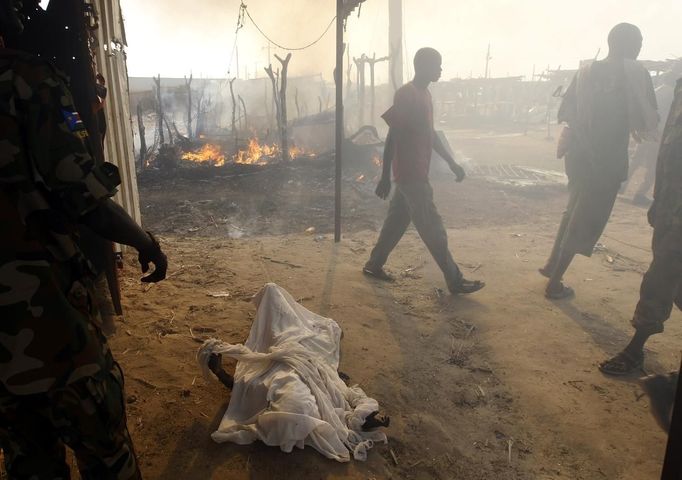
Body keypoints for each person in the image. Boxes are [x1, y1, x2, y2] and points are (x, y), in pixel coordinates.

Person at [0, 2, 168, 478]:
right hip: (45, 313)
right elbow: (83, 196)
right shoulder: (28, 81)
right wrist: (144, 241)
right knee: (104, 448)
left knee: (29, 458)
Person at [539, 23, 658, 299]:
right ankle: (555, 282)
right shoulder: (637, 73)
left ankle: (550, 264)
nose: (641, 47)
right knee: (586, 218)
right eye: (638, 41)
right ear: (626, 44)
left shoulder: (585, 72)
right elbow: (649, 118)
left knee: (573, 209)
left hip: (579, 155)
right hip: (607, 158)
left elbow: (566, 112)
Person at [363, 47, 484, 295]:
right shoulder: (406, 94)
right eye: (437, 65)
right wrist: (385, 175)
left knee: (396, 223)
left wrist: (451, 162)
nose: (440, 70)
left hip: (416, 171)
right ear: (423, 67)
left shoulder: (426, 95)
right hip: (410, 174)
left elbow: (431, 135)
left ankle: (374, 265)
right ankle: (454, 279)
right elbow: (392, 136)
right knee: (433, 228)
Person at [599, 75, 682, 375]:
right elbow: (669, 150)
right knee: (668, 277)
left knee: (661, 277)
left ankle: (635, 349)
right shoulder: (679, 87)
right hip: (672, 206)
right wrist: (659, 199)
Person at [622, 71, 677, 206]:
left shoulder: (657, 91)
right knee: (653, 166)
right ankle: (640, 194)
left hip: (646, 130)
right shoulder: (673, 95)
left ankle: (622, 185)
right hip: (659, 134)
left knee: (636, 160)